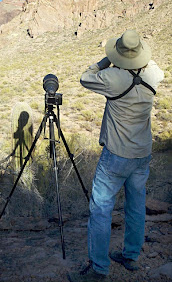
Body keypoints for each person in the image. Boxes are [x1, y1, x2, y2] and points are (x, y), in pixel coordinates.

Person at [68, 30, 164, 282]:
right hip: (142, 154)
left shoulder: (112, 77)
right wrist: (134, 55)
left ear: (119, 55)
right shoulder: (154, 74)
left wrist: (107, 59)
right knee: (135, 206)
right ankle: (131, 256)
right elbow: (151, 61)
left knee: (101, 209)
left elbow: (85, 77)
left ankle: (99, 269)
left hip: (116, 156)